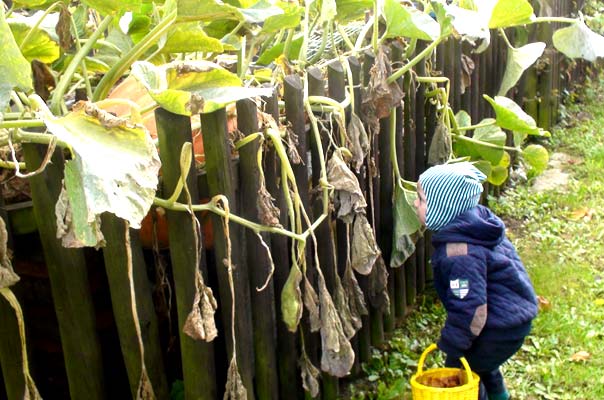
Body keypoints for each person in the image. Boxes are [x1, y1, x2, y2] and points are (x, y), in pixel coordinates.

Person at [414, 162, 538, 400]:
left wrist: (452, 343)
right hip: (511, 317)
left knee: (463, 372)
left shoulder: (460, 254)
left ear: (444, 208)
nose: (415, 203)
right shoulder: (477, 226)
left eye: (421, 199)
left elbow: (470, 308)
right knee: (482, 363)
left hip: (500, 327)